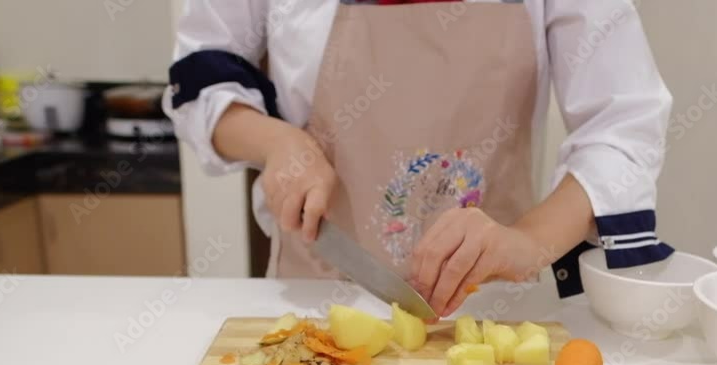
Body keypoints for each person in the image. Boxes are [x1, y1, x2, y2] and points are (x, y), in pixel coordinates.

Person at [165, 0, 674, 318]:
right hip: (316, 308)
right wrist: (277, 143)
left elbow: (624, 124)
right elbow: (203, 75)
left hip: (493, 314)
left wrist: (529, 241)